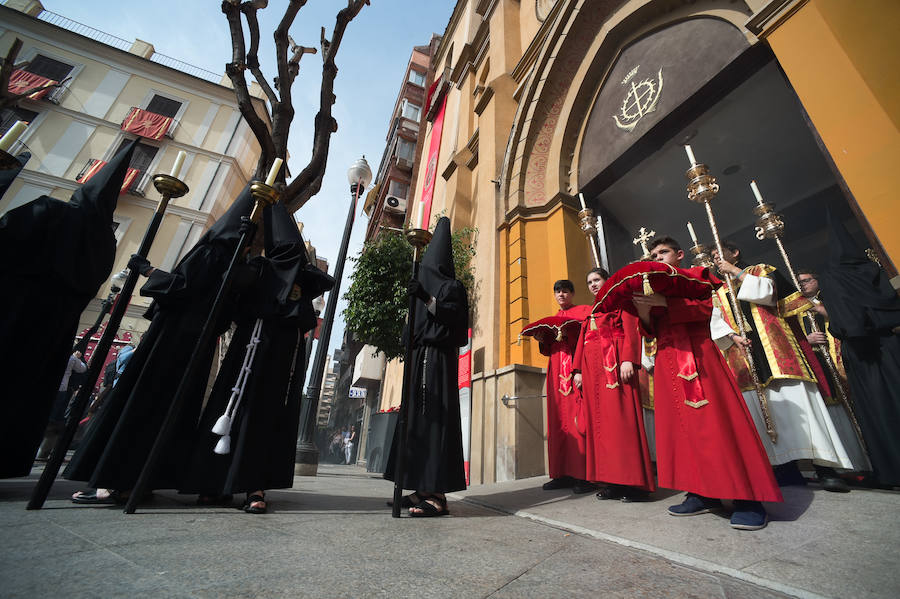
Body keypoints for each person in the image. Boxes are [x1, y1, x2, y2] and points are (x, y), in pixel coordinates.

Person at [65, 185, 257, 504]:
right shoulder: (237, 265)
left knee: (143, 402)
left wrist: (148, 271)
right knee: (169, 407)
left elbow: (183, 287)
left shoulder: (210, 253)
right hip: (198, 343)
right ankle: (142, 479)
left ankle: (115, 482)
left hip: (171, 339)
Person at [179, 201, 333, 513]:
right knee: (231, 409)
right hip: (247, 353)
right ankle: (212, 483)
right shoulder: (258, 269)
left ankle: (254, 485)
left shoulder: (304, 280)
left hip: (279, 362)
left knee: (263, 419)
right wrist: (243, 245)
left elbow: (321, 285)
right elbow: (233, 288)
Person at [0, 140, 137, 478]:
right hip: (56, 327)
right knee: (28, 389)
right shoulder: (106, 241)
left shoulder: (51, 210)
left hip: (16, 310)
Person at [632, 236, 782, 531]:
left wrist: (666, 303)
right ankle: (702, 492)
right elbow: (649, 331)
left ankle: (748, 498)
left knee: (720, 424)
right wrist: (644, 310)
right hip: (666, 361)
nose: (658, 256)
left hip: (699, 355)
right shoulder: (648, 285)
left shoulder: (696, 278)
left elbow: (709, 311)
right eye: (653, 254)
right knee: (680, 430)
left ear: (679, 254)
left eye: (663, 252)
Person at [712, 242, 857, 491]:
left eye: (719, 252)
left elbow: (769, 293)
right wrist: (731, 336)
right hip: (745, 356)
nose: (715, 257)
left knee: (800, 405)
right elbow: (715, 321)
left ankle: (825, 468)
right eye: (712, 256)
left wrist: (736, 272)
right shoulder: (717, 291)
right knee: (766, 413)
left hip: (777, 350)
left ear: (735, 253)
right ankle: (786, 469)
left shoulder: (760, 270)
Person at [384, 217, 468, 517]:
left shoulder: (452, 287)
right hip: (418, 359)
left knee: (435, 423)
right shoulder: (418, 288)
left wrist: (427, 298)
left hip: (437, 362)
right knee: (416, 423)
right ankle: (420, 486)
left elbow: (453, 319)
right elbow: (413, 327)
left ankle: (437, 495)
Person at [819, 212, 900, 487]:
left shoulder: (832, 275)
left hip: (861, 349)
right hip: (890, 344)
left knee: (878, 408)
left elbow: (845, 320)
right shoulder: (872, 269)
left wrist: (838, 331)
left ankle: (891, 469)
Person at [573, 268, 655, 502]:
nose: (593, 285)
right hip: (592, 371)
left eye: (596, 280)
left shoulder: (622, 301)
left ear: (607, 280)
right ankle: (612, 482)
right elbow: (583, 339)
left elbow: (631, 329)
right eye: (589, 282)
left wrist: (629, 358)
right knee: (600, 427)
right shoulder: (591, 311)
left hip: (615, 364)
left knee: (622, 423)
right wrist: (577, 370)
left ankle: (634, 484)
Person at [537, 279, 593, 494]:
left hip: (574, 369)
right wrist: (543, 340)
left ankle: (583, 475)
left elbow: (586, 341)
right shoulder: (552, 319)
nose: (561, 295)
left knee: (577, 420)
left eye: (566, 291)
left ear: (572, 294)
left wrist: (579, 370)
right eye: (558, 291)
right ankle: (562, 473)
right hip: (555, 372)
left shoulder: (583, 312)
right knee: (557, 422)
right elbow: (547, 349)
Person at [35, 351, 87, 462]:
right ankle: (43, 451)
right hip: (61, 390)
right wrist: (76, 357)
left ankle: (43, 450)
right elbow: (82, 368)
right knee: (54, 420)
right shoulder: (72, 359)